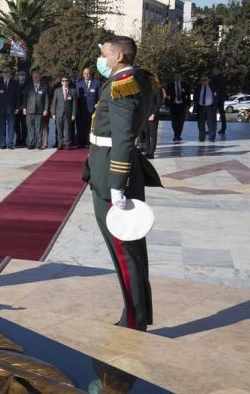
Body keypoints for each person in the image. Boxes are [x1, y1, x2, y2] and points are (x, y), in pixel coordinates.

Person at [83, 36, 161, 331]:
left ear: (118, 57)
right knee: (132, 251)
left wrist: (116, 184)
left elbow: (124, 138)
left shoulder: (122, 85)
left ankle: (134, 319)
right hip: (116, 170)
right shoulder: (141, 78)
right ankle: (139, 313)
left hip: (113, 176)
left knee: (124, 252)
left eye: (103, 54)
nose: (100, 59)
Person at [0, 67, 21, 149]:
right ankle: (3, 144)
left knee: (11, 127)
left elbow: (18, 96)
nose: (5, 73)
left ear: (10, 73)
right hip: (1, 109)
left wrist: (17, 107)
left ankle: (10, 144)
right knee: (2, 127)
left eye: (7, 72)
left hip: (11, 109)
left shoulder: (15, 83)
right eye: (4, 72)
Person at [22, 69, 50, 150]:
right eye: (34, 77)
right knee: (30, 129)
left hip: (39, 111)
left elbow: (46, 99)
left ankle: (39, 144)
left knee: (39, 129)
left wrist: (46, 109)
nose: (36, 78)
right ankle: (31, 144)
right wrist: (24, 108)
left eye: (37, 76)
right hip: (29, 111)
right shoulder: (28, 86)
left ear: (40, 77)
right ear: (32, 77)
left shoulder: (44, 86)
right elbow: (25, 98)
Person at [75, 67, 101, 147]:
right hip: (81, 109)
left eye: (88, 73)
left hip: (92, 110)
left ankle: (90, 142)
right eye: (85, 73)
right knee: (81, 126)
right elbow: (76, 97)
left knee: (91, 127)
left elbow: (100, 96)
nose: (87, 75)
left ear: (91, 74)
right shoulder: (78, 84)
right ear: (83, 75)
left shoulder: (97, 83)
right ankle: (81, 142)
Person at [51, 75, 77, 149]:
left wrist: (73, 114)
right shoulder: (57, 90)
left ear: (68, 82)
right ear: (61, 82)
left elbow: (74, 104)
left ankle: (67, 144)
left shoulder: (73, 91)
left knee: (68, 129)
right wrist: (53, 113)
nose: (64, 82)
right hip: (59, 113)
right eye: (63, 81)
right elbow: (54, 102)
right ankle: (60, 144)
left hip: (68, 114)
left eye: (66, 81)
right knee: (59, 130)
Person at [139, 82, 164, 159]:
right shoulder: (145, 90)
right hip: (144, 115)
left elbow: (159, 103)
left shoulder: (157, 89)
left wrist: (153, 114)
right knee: (146, 134)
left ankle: (151, 152)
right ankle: (146, 151)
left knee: (152, 135)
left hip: (152, 115)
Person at [194, 75, 219, 142]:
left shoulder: (213, 88)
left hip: (210, 108)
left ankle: (211, 138)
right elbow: (195, 98)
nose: (204, 81)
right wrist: (195, 109)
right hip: (200, 108)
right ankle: (201, 137)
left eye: (206, 80)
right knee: (201, 124)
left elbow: (217, 97)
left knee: (211, 123)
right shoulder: (198, 88)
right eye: (202, 80)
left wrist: (216, 107)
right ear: (200, 81)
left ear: (208, 80)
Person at [165, 73, 189, 141]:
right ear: (173, 78)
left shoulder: (185, 85)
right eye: (176, 77)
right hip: (173, 105)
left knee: (181, 121)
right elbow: (166, 96)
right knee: (174, 122)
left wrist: (188, 104)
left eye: (179, 77)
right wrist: (167, 105)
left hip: (182, 105)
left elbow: (188, 94)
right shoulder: (170, 85)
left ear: (181, 78)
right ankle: (176, 135)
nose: (177, 78)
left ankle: (178, 134)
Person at [211, 65, 228, 134]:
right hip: (220, 98)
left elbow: (217, 88)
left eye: (215, 69)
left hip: (217, 98)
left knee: (214, 114)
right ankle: (222, 128)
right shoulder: (221, 78)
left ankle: (213, 128)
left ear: (218, 70)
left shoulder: (217, 78)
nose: (213, 71)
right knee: (221, 113)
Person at [14, 70, 28, 147]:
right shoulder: (15, 84)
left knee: (24, 125)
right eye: (20, 74)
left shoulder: (28, 84)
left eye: (23, 74)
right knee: (16, 125)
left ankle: (24, 140)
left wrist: (25, 106)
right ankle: (18, 139)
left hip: (24, 109)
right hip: (16, 108)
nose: (21, 76)